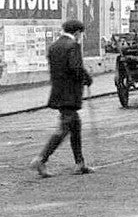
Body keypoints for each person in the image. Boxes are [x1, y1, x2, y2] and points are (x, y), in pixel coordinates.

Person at [31, 19, 95, 177]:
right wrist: (87, 78)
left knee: (75, 126)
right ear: (77, 33)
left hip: (58, 92)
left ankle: (80, 163)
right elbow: (75, 68)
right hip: (70, 93)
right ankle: (41, 159)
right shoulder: (73, 46)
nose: (81, 37)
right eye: (81, 34)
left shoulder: (54, 46)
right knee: (65, 128)